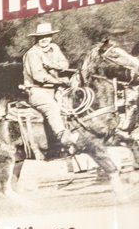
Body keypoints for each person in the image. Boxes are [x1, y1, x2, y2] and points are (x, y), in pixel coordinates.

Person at [20, 21, 117, 180]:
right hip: (37, 91)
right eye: (41, 37)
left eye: (47, 36)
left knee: (76, 106)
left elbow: (64, 64)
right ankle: (63, 136)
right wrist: (59, 80)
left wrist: (51, 65)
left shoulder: (55, 48)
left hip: (56, 89)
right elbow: (38, 76)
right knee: (52, 107)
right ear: (36, 39)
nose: (45, 39)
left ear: (51, 36)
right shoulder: (32, 53)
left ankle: (84, 136)